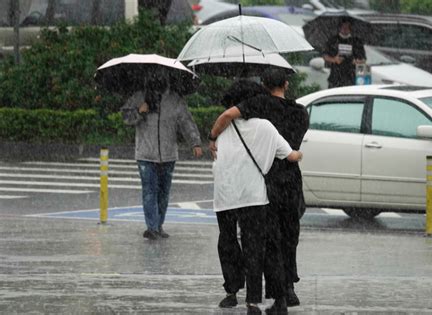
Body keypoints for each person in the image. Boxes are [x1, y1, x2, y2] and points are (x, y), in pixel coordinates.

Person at [208, 69, 309, 308]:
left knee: (264, 239)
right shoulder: (300, 112)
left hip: (264, 179)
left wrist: (212, 137)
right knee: (288, 236)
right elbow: (293, 149)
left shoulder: (257, 107)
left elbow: (230, 116)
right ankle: (286, 287)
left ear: (264, 85)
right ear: (286, 83)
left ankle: (238, 289)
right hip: (289, 179)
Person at [122, 77, 202, 240]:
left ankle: (158, 225)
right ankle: (152, 227)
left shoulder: (175, 100)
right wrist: (139, 111)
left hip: (168, 154)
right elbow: (126, 118)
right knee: (149, 191)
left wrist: (195, 142)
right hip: (145, 154)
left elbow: (186, 122)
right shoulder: (139, 97)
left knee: (163, 193)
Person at [322, 17, 366, 88]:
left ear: (351, 28)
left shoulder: (357, 41)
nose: (345, 29)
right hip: (335, 77)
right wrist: (334, 59)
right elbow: (325, 56)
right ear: (340, 27)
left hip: (351, 77)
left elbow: (363, 60)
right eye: (343, 26)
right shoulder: (333, 40)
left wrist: (357, 61)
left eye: (347, 27)